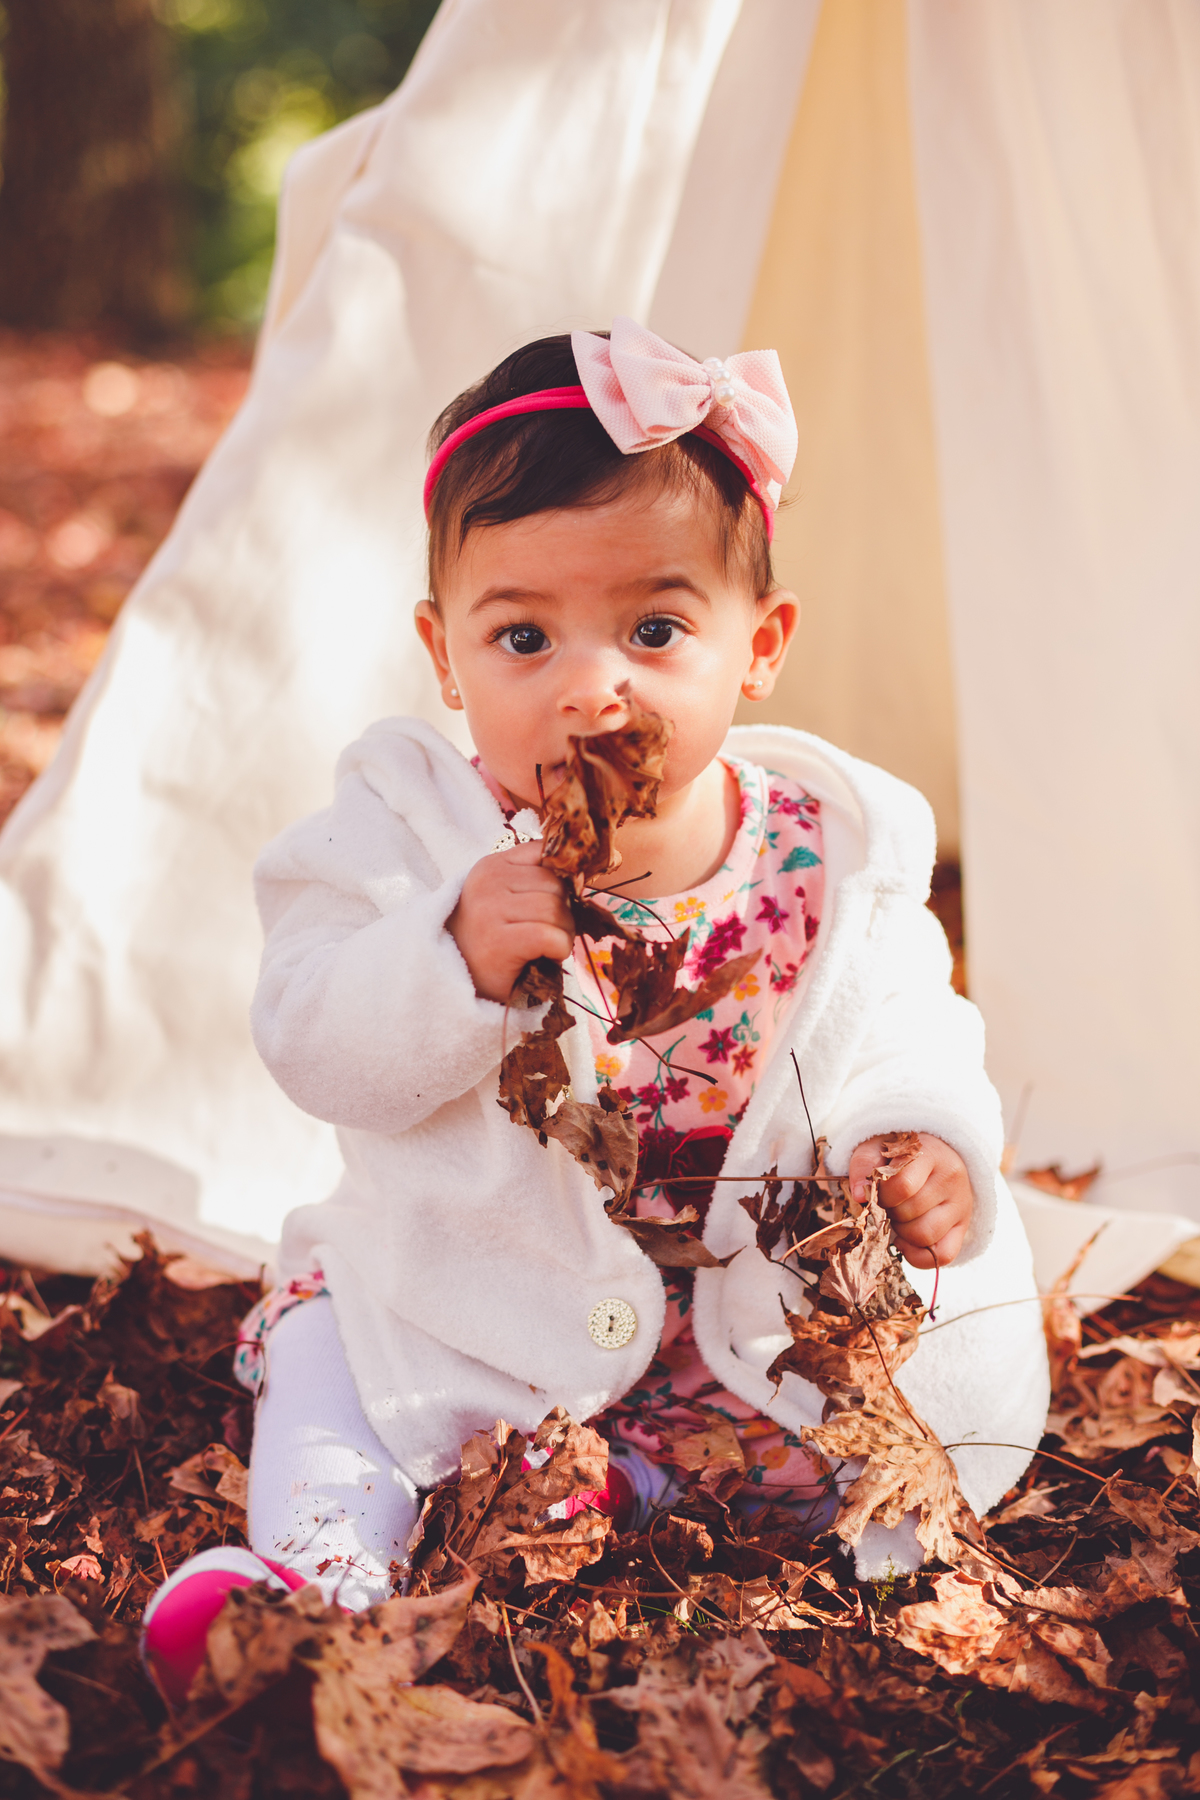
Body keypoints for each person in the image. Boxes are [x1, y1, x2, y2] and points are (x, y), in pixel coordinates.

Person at [142, 318, 1048, 1702]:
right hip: (469, 1291)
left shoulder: (829, 854)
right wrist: (441, 956)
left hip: (742, 1306)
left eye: (657, 628)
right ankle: (310, 1588)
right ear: (446, 658)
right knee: (340, 1367)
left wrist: (910, 1144)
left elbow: (910, 1027)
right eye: (524, 635)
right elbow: (310, 1030)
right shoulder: (406, 835)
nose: (591, 684)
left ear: (761, 647)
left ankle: (698, 1516)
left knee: (869, 1438)